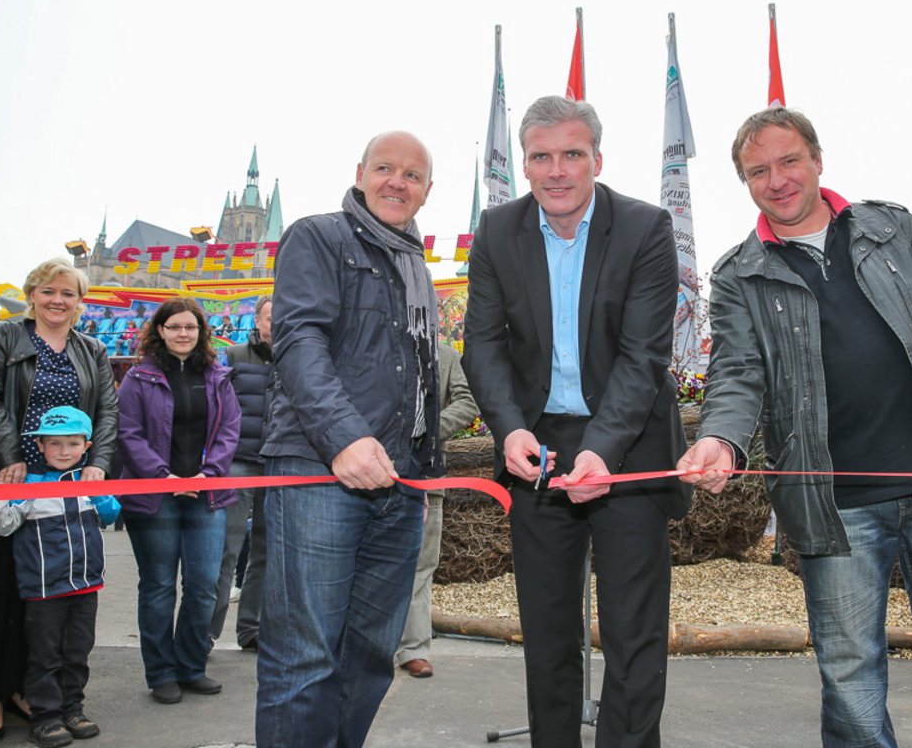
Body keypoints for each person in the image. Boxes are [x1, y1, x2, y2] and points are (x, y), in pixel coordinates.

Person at [679, 106, 912, 747]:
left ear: (817, 160)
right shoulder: (737, 275)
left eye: (788, 161)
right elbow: (736, 373)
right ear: (745, 183)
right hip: (834, 507)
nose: (777, 180)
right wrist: (719, 438)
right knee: (850, 682)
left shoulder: (893, 229)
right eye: (758, 171)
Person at [462, 95, 692, 748]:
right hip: (535, 448)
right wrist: (509, 429)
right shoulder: (496, 231)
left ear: (598, 159)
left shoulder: (645, 228)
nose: (557, 170)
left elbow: (644, 356)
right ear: (524, 164)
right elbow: (483, 344)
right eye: (541, 156)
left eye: (572, 154)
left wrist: (603, 450)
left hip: (630, 443)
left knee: (634, 634)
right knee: (547, 631)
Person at [256, 130, 441, 747]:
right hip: (319, 470)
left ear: (427, 190)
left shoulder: (415, 265)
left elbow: (419, 377)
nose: (397, 182)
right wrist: (344, 439)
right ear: (360, 173)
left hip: (399, 481)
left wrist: (420, 471)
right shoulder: (318, 236)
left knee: (369, 655)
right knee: (304, 656)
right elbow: (299, 341)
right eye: (385, 168)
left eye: (412, 175)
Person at [0, 258, 118, 747]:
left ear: (80, 302)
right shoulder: (4, 337)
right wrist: (9, 457)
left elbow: (106, 412)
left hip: (65, 492)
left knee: (53, 606)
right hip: (8, 480)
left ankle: (31, 693)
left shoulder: (92, 348)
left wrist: (98, 465)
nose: (58, 300)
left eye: (68, 293)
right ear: (32, 294)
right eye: (48, 290)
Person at [114, 297, 240, 704]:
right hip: (155, 496)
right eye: (175, 327)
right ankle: (161, 673)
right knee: (158, 586)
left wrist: (208, 475)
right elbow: (128, 433)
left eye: (190, 327)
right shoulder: (139, 378)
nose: (183, 333)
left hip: (207, 494)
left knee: (203, 586)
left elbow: (230, 430)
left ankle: (191, 667)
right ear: (160, 331)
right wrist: (162, 477)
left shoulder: (218, 376)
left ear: (201, 332)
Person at [0, 406, 120, 748]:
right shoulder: (27, 485)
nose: (63, 451)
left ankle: (73, 709)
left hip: (86, 586)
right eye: (54, 443)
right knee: (44, 657)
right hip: (43, 590)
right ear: (40, 445)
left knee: (77, 653)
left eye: (72, 443)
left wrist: (100, 492)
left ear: (86, 446)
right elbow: (1, 526)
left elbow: (110, 514)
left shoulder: (89, 481)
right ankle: (44, 717)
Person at [396, 341, 479, 679]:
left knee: (422, 565)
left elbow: (469, 402)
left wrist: (428, 429)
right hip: (372, 472)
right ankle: (369, 647)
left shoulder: (445, 355)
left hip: (428, 473)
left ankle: (414, 648)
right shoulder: (379, 346)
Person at [210, 295, 275, 651]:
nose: (277, 325)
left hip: (278, 465)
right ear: (258, 322)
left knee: (265, 551)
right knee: (226, 549)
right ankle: (206, 633)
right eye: (270, 318)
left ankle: (252, 629)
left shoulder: (300, 357)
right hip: (238, 463)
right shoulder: (234, 357)